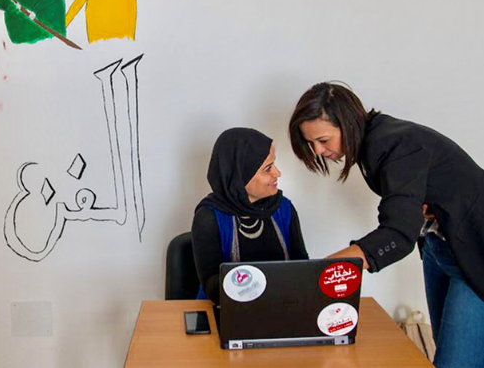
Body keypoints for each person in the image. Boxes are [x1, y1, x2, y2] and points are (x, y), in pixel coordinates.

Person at [289, 82, 484, 368]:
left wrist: (321, 272)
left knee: (456, 362)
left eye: (323, 140)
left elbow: (398, 233)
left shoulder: (393, 143)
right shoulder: (375, 141)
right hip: (439, 246)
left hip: (475, 250)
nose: (318, 151)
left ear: (346, 123)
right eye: (311, 144)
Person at [191, 127, 308, 304]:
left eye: (274, 164)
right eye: (268, 168)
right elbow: (213, 286)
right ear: (240, 176)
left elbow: (302, 268)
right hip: (223, 310)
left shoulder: (284, 208)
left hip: (281, 307)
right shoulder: (208, 217)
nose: (277, 173)